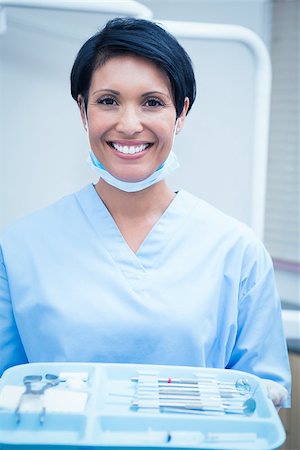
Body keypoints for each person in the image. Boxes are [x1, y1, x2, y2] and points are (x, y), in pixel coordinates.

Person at [0, 17, 290, 408]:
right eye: (108, 101)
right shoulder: (20, 250)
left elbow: (261, 397)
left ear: (181, 113)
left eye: (152, 102)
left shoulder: (236, 252)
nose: (129, 124)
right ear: (83, 111)